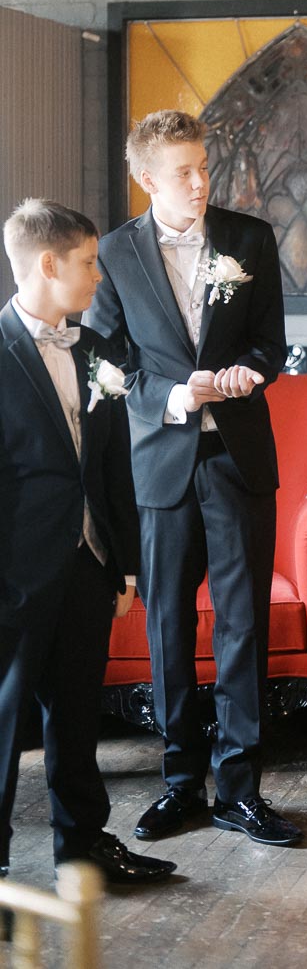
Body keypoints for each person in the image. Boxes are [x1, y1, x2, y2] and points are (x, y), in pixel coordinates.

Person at [84, 110, 300, 848]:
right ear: (147, 179)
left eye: (204, 166)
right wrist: (175, 395)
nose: (201, 181)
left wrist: (250, 373)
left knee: (243, 624)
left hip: (238, 457)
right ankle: (180, 785)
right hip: (161, 458)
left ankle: (240, 790)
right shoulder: (114, 253)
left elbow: (272, 341)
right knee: (169, 625)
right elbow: (106, 362)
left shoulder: (250, 238)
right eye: (184, 172)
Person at [0, 199, 175, 888]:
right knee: (5, 726)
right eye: (88, 263)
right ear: (48, 264)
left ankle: (83, 850)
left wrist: (123, 567)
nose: (98, 276)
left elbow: (112, 467)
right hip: (15, 576)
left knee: (77, 719)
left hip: (87, 565)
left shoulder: (97, 349)